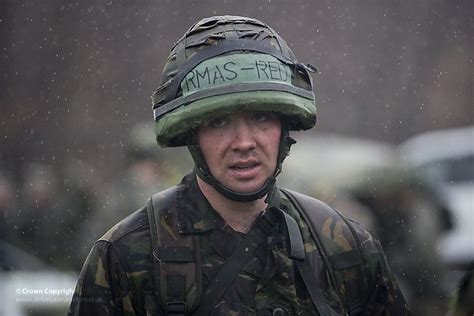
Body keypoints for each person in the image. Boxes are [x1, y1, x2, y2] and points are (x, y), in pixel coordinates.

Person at [69, 15, 409, 315]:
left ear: (284, 128)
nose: (244, 142)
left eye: (261, 117)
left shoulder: (343, 248)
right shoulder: (126, 259)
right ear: (192, 134)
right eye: (219, 122)